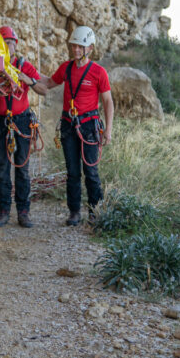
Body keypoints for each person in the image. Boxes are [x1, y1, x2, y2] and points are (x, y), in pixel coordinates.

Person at [36, 26, 114, 226]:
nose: (76, 50)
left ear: (90, 48)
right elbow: (49, 83)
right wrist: (27, 73)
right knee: (72, 171)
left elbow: (107, 101)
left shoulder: (98, 72)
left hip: (89, 126)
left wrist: (108, 130)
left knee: (91, 172)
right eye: (74, 46)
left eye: (80, 46)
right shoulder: (66, 68)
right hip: (69, 125)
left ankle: (95, 212)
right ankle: (74, 212)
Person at [0, 25, 46, 228]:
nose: (7, 46)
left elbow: (43, 90)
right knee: (2, 168)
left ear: (15, 45)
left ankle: (23, 211)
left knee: (22, 168)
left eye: (10, 43)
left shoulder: (23, 65)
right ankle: (3, 211)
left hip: (21, 120)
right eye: (3, 43)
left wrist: (28, 80)